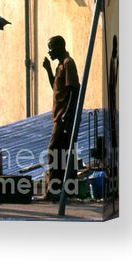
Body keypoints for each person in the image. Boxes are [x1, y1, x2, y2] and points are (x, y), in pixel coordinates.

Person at [42, 35, 80, 200]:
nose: (49, 51)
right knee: (64, 152)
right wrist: (48, 70)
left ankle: (53, 190)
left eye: (50, 47)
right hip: (59, 116)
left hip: (63, 117)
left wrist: (66, 114)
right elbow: (56, 88)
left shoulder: (68, 64)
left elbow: (73, 90)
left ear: (59, 47)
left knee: (53, 150)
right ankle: (67, 190)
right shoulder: (60, 65)